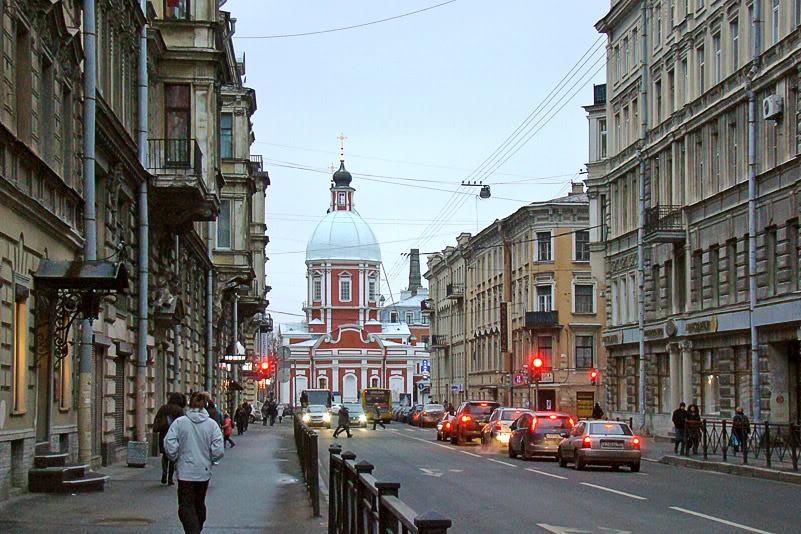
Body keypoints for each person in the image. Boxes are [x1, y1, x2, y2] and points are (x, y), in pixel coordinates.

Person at [164, 391, 224, 534]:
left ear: (189, 404)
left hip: (185, 472)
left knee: (185, 505)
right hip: (203, 472)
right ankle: (196, 529)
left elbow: (169, 443)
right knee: (199, 504)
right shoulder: (212, 425)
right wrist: (212, 460)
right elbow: (218, 450)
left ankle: (192, 531)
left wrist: (175, 457)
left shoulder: (180, 423)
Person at [153, 392, 186, 485]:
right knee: (172, 457)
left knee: (164, 455)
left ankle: (164, 474)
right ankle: (170, 478)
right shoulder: (179, 410)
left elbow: (157, 419)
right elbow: (182, 424)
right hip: (174, 436)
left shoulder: (163, 408)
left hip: (163, 434)